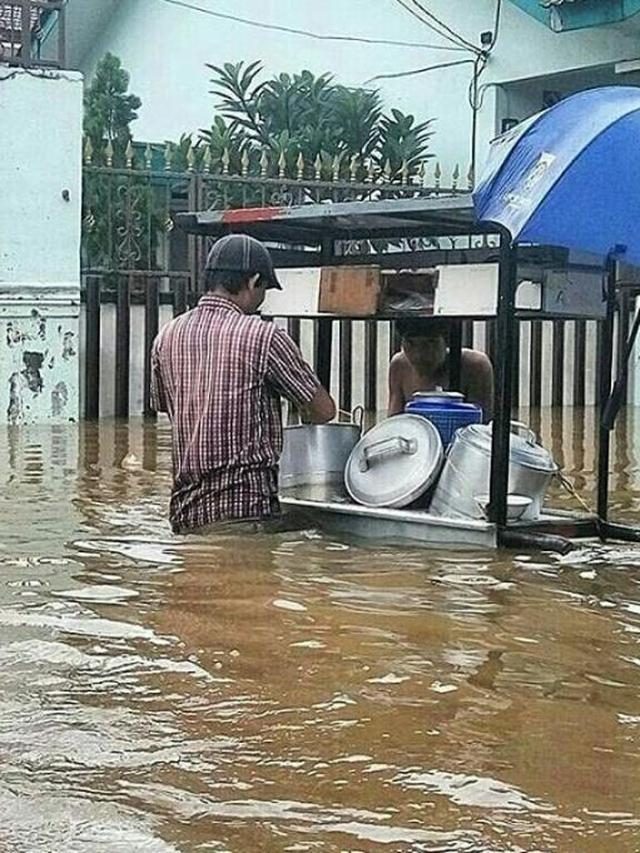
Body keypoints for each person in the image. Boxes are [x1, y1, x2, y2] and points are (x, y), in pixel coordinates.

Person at [151, 233, 335, 534]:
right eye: (264, 289)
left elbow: (167, 408)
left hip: (186, 518)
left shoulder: (166, 337)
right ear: (253, 282)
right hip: (245, 513)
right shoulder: (265, 337)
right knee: (324, 531)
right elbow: (324, 411)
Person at [388, 318, 494, 419]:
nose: (419, 354)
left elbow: (481, 425)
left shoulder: (474, 366)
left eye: (430, 342)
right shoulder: (399, 366)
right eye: (410, 343)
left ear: (447, 342)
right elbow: (393, 423)